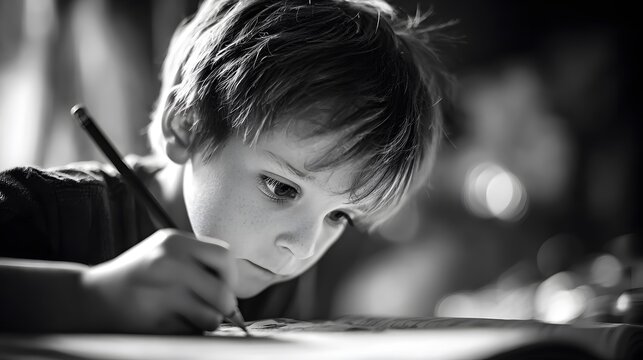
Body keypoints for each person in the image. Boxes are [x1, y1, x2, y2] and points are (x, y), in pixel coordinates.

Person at [0, 0, 453, 334]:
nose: (301, 246)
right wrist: (88, 297)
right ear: (186, 126)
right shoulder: (54, 211)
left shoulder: (274, 272)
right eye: (281, 188)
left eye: (338, 215)